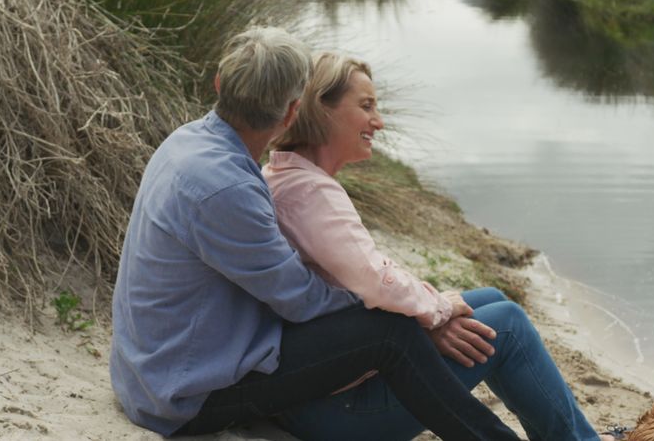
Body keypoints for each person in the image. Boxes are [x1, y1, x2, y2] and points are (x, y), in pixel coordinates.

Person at [109, 27, 520, 440]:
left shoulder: (186, 142)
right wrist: (398, 307)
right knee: (392, 332)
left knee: (471, 306)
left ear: (219, 84)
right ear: (291, 112)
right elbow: (301, 301)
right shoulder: (228, 188)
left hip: (150, 369)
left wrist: (414, 306)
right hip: (186, 396)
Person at [262, 52, 615, 441]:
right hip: (336, 410)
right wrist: (435, 312)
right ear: (321, 109)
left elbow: (364, 281)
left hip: (325, 384)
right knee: (508, 326)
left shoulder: (289, 175)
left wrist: (431, 317)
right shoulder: (309, 192)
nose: (378, 122)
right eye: (366, 107)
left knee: (489, 298)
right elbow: (376, 282)